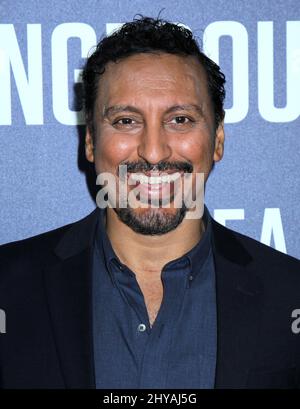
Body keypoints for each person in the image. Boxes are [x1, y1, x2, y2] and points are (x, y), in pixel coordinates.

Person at [0, 16, 299, 389]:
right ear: (90, 141)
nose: (153, 152)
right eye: (126, 121)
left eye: (180, 119)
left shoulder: (289, 293)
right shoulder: (8, 287)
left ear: (218, 140)